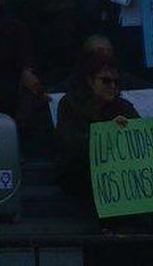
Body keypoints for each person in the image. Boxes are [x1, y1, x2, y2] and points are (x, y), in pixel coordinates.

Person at [55, 50, 139, 201]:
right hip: (80, 170)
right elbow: (73, 145)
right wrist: (108, 131)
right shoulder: (70, 105)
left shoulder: (123, 106)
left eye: (116, 82)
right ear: (90, 80)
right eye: (106, 81)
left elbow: (141, 137)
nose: (112, 86)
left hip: (120, 169)